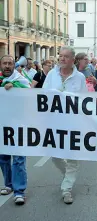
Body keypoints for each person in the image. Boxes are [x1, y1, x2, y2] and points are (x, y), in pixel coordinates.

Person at [42, 46, 87, 204]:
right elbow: (43, 95)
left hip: (73, 123)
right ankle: (68, 175)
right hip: (54, 122)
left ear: (72, 59)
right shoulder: (52, 74)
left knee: (73, 157)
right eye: (60, 56)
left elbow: (84, 100)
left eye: (66, 56)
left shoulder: (79, 77)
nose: (62, 59)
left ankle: (66, 189)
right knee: (55, 156)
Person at [0, 55, 30, 205]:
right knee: (3, 157)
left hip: (19, 125)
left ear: (14, 65)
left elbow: (29, 91)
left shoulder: (21, 79)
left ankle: (19, 191)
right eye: (4, 63)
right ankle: (9, 185)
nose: (7, 66)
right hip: (2, 125)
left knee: (18, 158)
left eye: (9, 64)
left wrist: (14, 86)